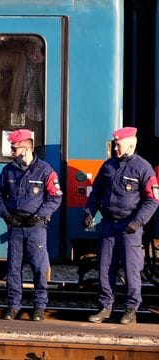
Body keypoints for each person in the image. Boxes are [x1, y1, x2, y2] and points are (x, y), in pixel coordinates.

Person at [84, 127, 159, 325]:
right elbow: (96, 192)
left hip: (129, 227)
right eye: (115, 144)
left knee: (131, 269)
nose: (115, 148)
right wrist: (89, 212)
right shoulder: (108, 165)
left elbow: (152, 200)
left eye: (119, 145)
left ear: (131, 145)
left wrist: (137, 222)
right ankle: (105, 307)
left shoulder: (143, 168)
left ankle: (130, 310)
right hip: (108, 224)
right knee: (104, 268)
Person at [0, 129, 62, 322]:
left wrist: (39, 215)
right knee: (13, 268)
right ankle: (13, 306)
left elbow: (55, 197)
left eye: (14, 149)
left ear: (26, 148)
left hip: (36, 227)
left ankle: (39, 307)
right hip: (15, 225)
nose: (12, 152)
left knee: (39, 268)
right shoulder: (9, 170)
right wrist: (6, 215)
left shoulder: (45, 170)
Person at [0, 37, 45, 155]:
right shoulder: (19, 57)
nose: (33, 52)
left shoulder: (50, 63)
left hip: (41, 118)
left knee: (36, 153)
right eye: (30, 46)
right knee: (15, 150)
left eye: (37, 48)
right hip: (19, 113)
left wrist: (45, 60)